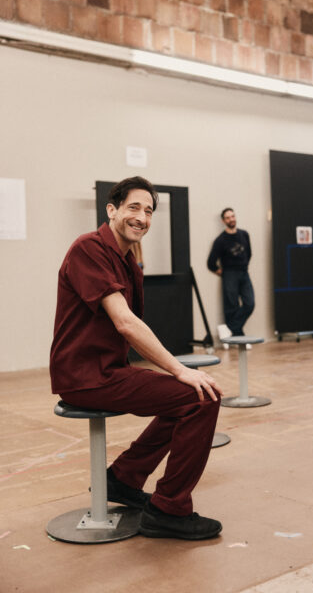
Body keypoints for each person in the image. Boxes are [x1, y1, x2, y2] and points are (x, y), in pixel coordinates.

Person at [50, 176, 223, 540]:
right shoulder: (89, 248)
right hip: (86, 376)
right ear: (111, 210)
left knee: (187, 399)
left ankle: (123, 478)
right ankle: (169, 511)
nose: (142, 217)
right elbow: (126, 323)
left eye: (148, 211)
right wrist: (179, 369)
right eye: (133, 207)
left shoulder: (127, 259)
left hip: (108, 370)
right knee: (200, 398)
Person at [207, 208, 255, 336]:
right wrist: (222, 272)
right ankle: (238, 336)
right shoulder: (220, 240)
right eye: (228, 218)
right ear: (223, 221)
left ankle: (228, 329)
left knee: (250, 303)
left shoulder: (244, 234)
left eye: (233, 216)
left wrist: (243, 265)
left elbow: (249, 253)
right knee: (231, 307)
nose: (231, 219)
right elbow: (211, 263)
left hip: (244, 272)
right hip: (229, 274)